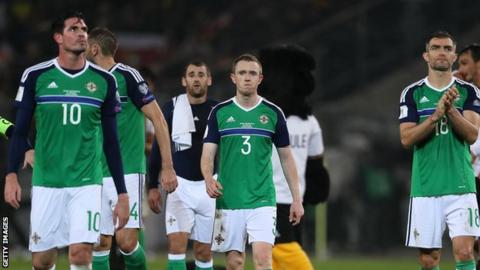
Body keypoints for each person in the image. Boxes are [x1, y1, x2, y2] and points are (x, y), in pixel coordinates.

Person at [4, 11, 130, 270]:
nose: (82, 33)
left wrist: (122, 193)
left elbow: (111, 142)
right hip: (47, 181)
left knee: (81, 254)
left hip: (87, 182)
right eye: (74, 29)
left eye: (84, 28)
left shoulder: (104, 81)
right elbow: (19, 132)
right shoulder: (36, 76)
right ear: (58, 37)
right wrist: (11, 175)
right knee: (42, 261)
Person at [201, 53, 304, 270]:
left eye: (252, 73)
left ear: (260, 79)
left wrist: (296, 198)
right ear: (233, 78)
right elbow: (208, 154)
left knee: (263, 260)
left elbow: (287, 158)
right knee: (234, 263)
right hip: (228, 199)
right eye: (242, 73)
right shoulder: (219, 112)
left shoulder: (273, 113)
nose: (247, 77)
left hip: (263, 199)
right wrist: (208, 179)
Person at [85, 27, 177, 270]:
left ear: (94, 48)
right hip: (93, 173)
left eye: (85, 46)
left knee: (126, 242)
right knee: (99, 243)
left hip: (127, 170)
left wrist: (167, 167)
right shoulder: (86, 80)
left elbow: (158, 119)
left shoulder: (127, 76)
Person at [399, 30, 480, 270]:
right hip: (425, 187)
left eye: (447, 48)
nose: (441, 53)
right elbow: (406, 138)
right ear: (426, 55)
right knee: (429, 259)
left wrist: (451, 110)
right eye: (436, 48)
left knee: (466, 251)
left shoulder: (469, 92)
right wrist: (435, 115)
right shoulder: (412, 93)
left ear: (454, 56)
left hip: (461, 186)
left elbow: (472, 134)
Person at [259, 44, 329, 270]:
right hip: (268, 197)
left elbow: (315, 161)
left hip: (296, 200)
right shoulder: (263, 118)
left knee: (280, 255)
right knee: (280, 251)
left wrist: (314, 188)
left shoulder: (309, 122)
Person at [147, 61, 218, 270]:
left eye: (201, 74)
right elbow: (159, 148)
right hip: (180, 186)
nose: (196, 78)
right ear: (184, 80)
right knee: (176, 247)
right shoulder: (172, 107)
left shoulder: (218, 110)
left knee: (203, 252)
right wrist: (152, 186)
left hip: (210, 187)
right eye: (192, 74)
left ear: (209, 79)